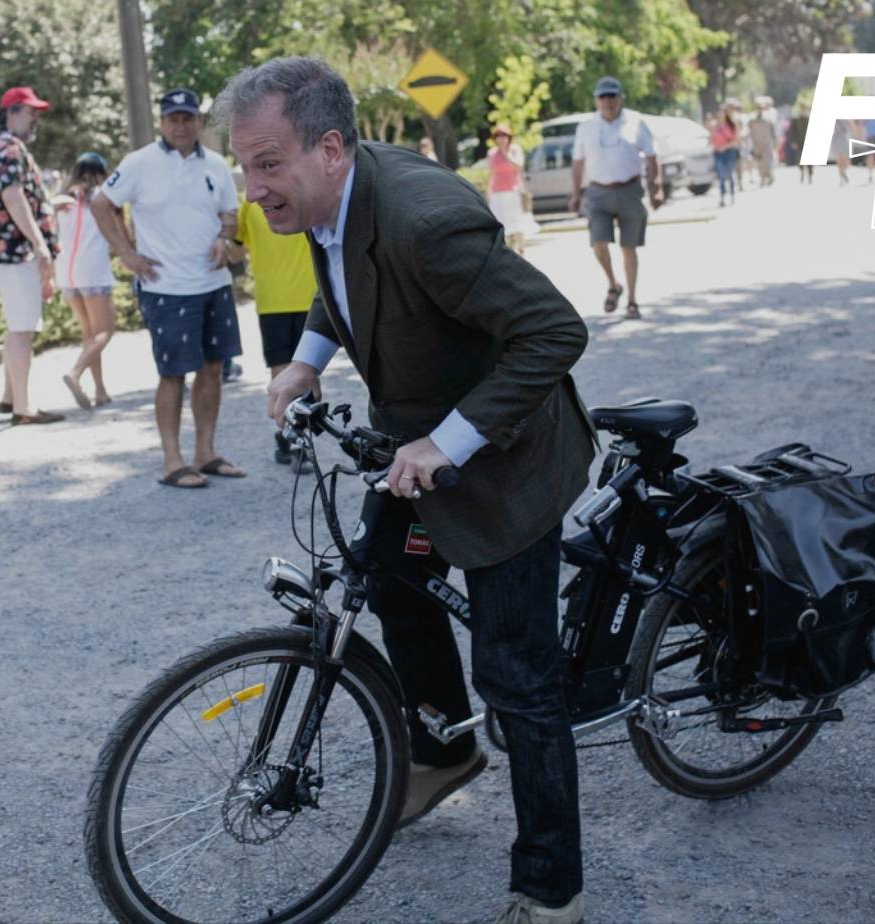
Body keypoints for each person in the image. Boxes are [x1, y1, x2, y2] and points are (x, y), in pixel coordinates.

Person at [220, 56, 596, 924]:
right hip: (414, 438)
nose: (254, 189)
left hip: (507, 459)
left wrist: (448, 441)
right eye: (246, 166)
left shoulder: (427, 221)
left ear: (330, 149)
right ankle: (442, 749)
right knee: (386, 581)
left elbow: (552, 331)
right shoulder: (324, 196)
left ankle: (551, 888)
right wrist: (305, 361)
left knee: (519, 677)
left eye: (267, 165)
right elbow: (342, 273)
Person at [91, 87, 244, 488]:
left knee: (213, 368)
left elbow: (231, 212)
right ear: (162, 121)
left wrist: (225, 239)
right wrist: (126, 253)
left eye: (187, 117)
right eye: (173, 117)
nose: (181, 124)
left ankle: (206, 453)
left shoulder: (215, 164)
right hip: (166, 286)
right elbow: (100, 203)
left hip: (213, 282)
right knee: (173, 373)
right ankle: (172, 461)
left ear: (198, 121)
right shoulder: (139, 163)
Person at [0, 86, 64, 425]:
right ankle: (23, 408)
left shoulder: (1, 145)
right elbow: (13, 198)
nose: (36, 119)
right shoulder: (9, 147)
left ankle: (10, 397)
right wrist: (40, 245)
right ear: (13, 112)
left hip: (3, 250)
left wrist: (49, 206)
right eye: (32, 112)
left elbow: (17, 198)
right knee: (22, 329)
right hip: (13, 252)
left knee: (17, 325)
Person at [224, 194, 318, 467]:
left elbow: (234, 253)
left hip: (290, 300)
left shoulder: (250, 202)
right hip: (297, 300)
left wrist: (226, 235)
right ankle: (296, 439)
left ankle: (292, 437)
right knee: (305, 375)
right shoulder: (303, 195)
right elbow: (236, 249)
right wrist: (227, 233)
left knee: (287, 374)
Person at [568, 76, 661, 320]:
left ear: (620, 98)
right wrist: (575, 193)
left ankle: (632, 299)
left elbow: (652, 156)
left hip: (629, 188)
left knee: (628, 247)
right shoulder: (586, 127)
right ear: (596, 100)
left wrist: (656, 186)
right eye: (603, 97)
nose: (608, 101)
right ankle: (613, 284)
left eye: (612, 96)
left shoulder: (636, 122)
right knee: (598, 242)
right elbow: (578, 163)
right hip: (598, 192)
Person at [54, 152, 117, 410]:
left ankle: (100, 390)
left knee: (89, 333)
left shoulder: (62, 198)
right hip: (93, 270)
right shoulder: (102, 196)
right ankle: (75, 372)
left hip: (66, 272)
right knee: (104, 332)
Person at [485, 122, 540, 256]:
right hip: (497, 193)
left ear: (509, 137)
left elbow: (518, 167)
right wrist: (488, 190)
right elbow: (491, 173)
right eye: (498, 136)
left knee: (517, 223)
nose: (501, 138)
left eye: (504, 135)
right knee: (501, 223)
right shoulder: (491, 153)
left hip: (513, 191)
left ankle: (521, 251)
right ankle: (507, 252)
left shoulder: (515, 149)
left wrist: (505, 153)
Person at [709, 108, 740, 205]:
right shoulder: (715, 127)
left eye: (722, 113)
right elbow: (711, 140)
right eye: (719, 113)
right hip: (718, 153)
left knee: (730, 175)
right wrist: (715, 146)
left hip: (729, 153)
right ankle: (722, 196)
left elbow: (736, 141)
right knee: (721, 176)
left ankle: (732, 195)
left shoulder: (731, 125)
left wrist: (725, 146)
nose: (720, 115)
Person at [748, 96, 778, 187]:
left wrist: (775, 142)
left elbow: (773, 131)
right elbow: (750, 132)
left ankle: (769, 176)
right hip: (757, 144)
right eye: (758, 107)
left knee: (768, 161)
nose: (760, 109)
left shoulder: (769, 117)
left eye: (761, 107)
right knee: (760, 163)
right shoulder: (752, 119)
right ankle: (762, 178)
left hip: (767, 143)